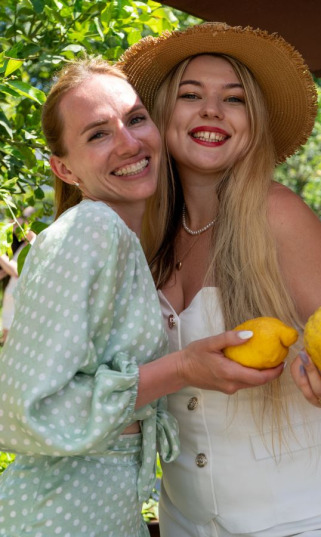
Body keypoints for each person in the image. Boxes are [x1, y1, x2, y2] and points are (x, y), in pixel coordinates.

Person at [0, 57, 283, 537]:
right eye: (98, 134)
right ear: (64, 169)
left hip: (99, 511)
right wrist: (184, 368)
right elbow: (22, 412)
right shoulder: (90, 229)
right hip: (59, 517)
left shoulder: (127, 241)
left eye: (134, 119)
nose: (130, 143)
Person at [121, 23, 321, 536]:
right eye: (191, 95)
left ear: (253, 124)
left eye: (235, 99)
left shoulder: (280, 215)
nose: (211, 110)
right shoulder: (142, 234)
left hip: (314, 520)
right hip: (184, 520)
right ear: (159, 117)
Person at [0, 209, 36, 343]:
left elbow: (17, 271)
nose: (15, 230)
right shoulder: (22, 247)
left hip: (19, 304)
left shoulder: (35, 245)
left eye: (16, 226)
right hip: (11, 301)